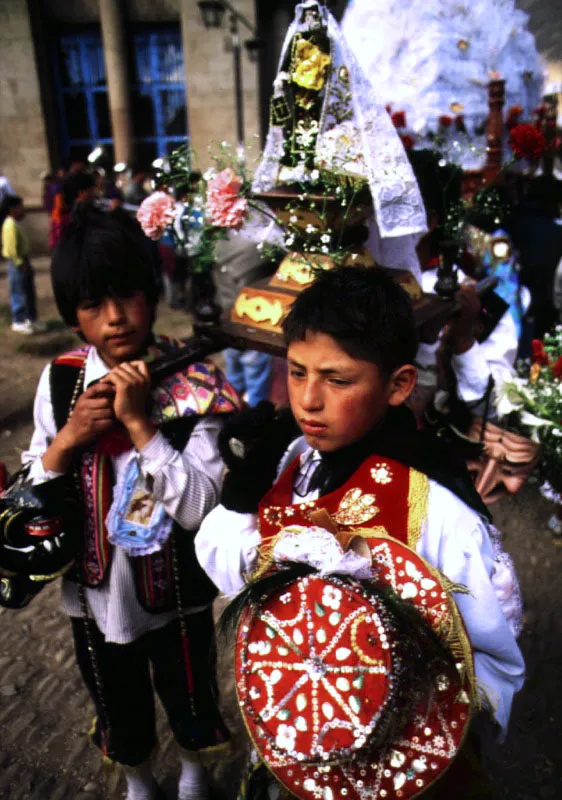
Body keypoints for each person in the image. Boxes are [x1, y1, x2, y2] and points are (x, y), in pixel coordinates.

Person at [196, 265, 524, 796]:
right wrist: (242, 490)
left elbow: (490, 653)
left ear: (398, 385)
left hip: (397, 761)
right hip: (302, 738)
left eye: (337, 379)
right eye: (297, 372)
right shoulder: (291, 462)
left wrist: (411, 727)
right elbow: (228, 567)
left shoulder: (436, 508)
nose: (307, 399)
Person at [22, 207, 242, 800]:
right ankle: (139, 781)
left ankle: (196, 774)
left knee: (189, 688)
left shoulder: (196, 381)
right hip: (94, 593)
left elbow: (202, 508)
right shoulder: (62, 382)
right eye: (93, 305)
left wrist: (142, 427)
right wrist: (69, 439)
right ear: (72, 316)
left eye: (128, 295)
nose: (115, 318)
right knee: (114, 693)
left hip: (176, 592)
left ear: (152, 292)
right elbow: (32, 478)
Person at [1, 195, 46, 334]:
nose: (23, 210)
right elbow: (11, 248)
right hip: (17, 263)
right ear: (12, 209)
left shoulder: (15, 223)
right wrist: (19, 263)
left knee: (28, 290)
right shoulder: (10, 225)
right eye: (20, 207)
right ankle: (18, 320)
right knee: (18, 291)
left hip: (24, 261)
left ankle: (31, 318)